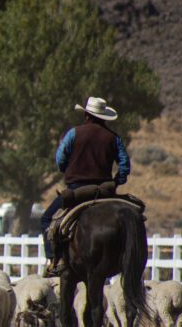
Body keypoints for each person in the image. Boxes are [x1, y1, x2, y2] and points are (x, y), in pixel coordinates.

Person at [41, 97, 130, 277]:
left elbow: (60, 159)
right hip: (104, 191)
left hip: (77, 190)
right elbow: (125, 164)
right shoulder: (114, 138)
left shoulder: (74, 133)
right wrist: (117, 180)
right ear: (104, 117)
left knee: (46, 218)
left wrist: (67, 169)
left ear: (86, 115)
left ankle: (55, 260)